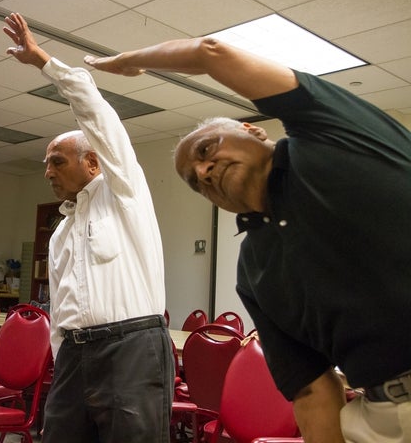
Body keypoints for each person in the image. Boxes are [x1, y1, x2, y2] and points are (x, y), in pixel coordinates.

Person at [84, 36, 411, 443]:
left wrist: (131, 58)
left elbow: (211, 53)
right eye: (194, 179)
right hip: (387, 414)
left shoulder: (330, 136)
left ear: (253, 130)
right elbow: (312, 390)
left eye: (206, 149)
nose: (203, 171)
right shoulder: (254, 268)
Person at [3, 13, 170, 443]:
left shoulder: (123, 192)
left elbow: (98, 116)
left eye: (57, 161)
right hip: (75, 354)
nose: (48, 172)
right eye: (45, 164)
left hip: (132, 349)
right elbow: (61, 310)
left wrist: (43, 61)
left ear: (92, 162)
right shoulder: (61, 232)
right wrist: (64, 359)